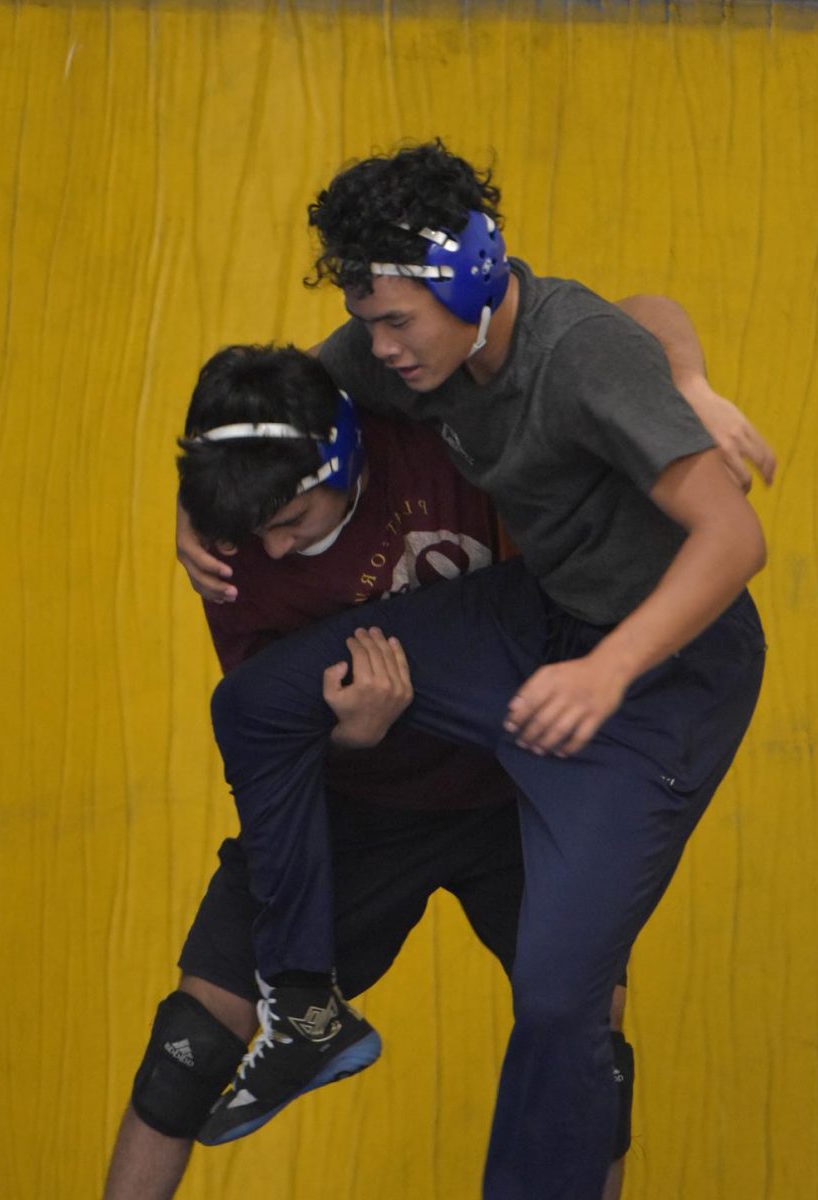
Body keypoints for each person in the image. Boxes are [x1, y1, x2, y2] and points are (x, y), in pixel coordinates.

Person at [182, 142, 769, 1199]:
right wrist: (196, 513)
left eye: (395, 319)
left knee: (557, 1001)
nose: (380, 347)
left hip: (664, 672)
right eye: (368, 320)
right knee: (259, 701)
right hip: (530, 616)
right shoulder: (404, 351)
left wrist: (609, 671)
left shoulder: (576, 354)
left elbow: (731, 542)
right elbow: (280, 419)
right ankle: (306, 1001)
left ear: (465, 282)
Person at [107, 343, 655, 1199]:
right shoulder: (233, 545)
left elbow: (599, 335)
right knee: (187, 1048)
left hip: (521, 784)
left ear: (344, 456)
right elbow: (269, 735)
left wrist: (682, 380)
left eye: (291, 521)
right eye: (257, 532)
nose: (276, 549)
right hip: (358, 804)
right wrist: (348, 739)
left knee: (589, 1058)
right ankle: (308, 1023)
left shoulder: (442, 431)